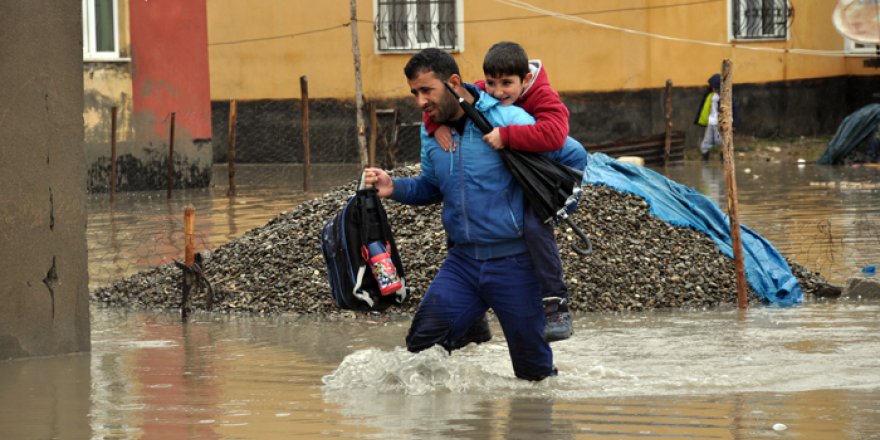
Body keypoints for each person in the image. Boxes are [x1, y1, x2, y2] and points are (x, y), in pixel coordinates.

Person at [364, 48, 587, 381]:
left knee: (534, 377)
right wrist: (393, 186)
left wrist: (553, 206)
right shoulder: (432, 132)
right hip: (463, 265)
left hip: (516, 265)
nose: (420, 101)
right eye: (415, 93)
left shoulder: (508, 120)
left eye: (427, 91)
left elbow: (574, 154)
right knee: (422, 352)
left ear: (453, 83)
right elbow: (431, 187)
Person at [420, 41, 575, 342]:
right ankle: (474, 316)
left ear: (525, 80)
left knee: (534, 225)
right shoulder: (486, 89)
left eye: (507, 84)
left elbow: (556, 135)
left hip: (555, 177)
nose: (497, 92)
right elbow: (452, 96)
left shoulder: (542, 95)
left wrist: (507, 135)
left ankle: (556, 303)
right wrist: (431, 123)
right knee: (464, 222)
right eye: (491, 83)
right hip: (520, 167)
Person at [696, 73, 722, 161]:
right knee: (706, 142)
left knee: (720, 141)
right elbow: (705, 109)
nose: (714, 89)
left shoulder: (725, 97)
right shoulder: (709, 96)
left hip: (719, 123)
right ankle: (705, 157)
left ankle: (723, 157)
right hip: (710, 122)